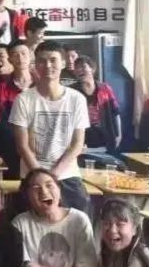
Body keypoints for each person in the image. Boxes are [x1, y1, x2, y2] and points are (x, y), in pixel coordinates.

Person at [9, 40, 90, 211]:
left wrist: (53, 176)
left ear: (63, 63)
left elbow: (77, 144)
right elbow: (22, 146)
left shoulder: (77, 99)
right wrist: (42, 178)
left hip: (67, 175)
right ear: (35, 64)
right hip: (32, 175)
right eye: (42, 61)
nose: (47, 65)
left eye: (53, 60)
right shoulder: (23, 99)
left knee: (80, 218)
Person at [0, 41, 33, 179]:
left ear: (30, 55)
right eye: (15, 55)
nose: (20, 58)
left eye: (23, 54)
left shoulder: (40, 82)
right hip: (11, 146)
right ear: (10, 59)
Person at [73, 54, 122, 154]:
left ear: (92, 69)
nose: (79, 70)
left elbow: (116, 112)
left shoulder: (105, 88)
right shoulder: (72, 91)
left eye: (83, 66)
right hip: (82, 140)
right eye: (76, 68)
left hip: (105, 140)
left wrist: (119, 134)